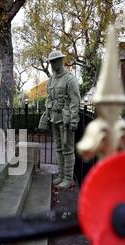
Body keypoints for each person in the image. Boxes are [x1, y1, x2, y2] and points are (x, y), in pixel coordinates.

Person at [39, 50, 81, 189]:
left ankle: (68, 178)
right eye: (51, 61)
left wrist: (74, 120)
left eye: (55, 61)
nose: (52, 64)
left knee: (67, 148)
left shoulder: (70, 79)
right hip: (54, 118)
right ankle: (61, 174)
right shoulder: (51, 80)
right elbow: (49, 98)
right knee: (58, 148)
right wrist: (48, 110)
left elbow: (75, 101)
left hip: (66, 119)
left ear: (61, 61)